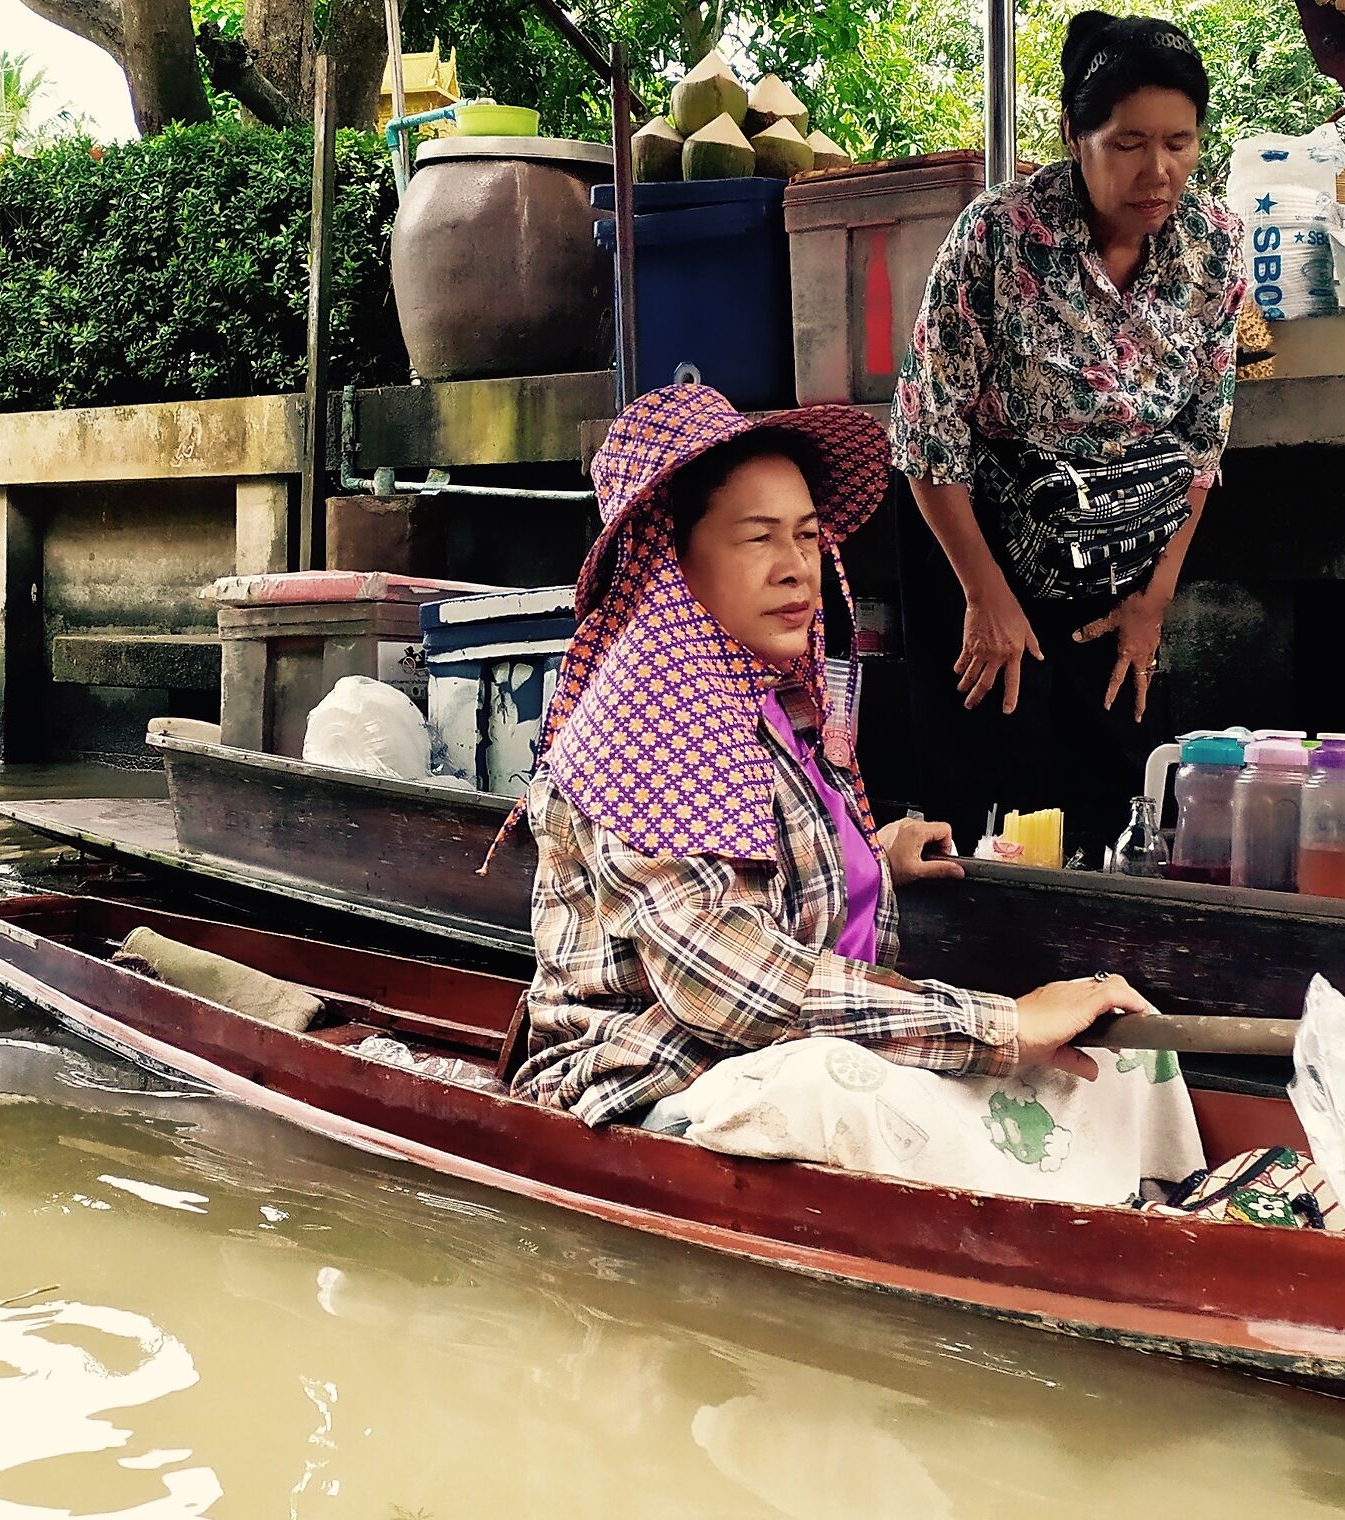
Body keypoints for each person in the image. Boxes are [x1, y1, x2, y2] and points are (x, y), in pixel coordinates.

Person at [510, 385, 1200, 1200]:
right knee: (842, 1086)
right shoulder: (648, 723)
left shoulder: (769, 694)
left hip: (773, 1053)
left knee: (1124, 1061)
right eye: (758, 538)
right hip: (660, 1088)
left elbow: (750, 863)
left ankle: (1166, 1214)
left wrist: (867, 859)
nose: (797, 566)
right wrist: (1003, 1026)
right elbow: (735, 990)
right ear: (672, 559)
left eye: (807, 536)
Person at [891, 10, 1247, 854]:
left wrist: (1152, 603)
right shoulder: (998, 235)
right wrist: (986, 598)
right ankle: (979, 975)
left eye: (1180, 141)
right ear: (1073, 136)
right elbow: (927, 433)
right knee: (991, 776)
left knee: (1120, 774)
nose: (1158, 170)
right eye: (1128, 142)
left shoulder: (1214, 246)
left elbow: (1202, 445)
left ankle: (1099, 969)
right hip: (978, 537)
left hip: (1121, 547)